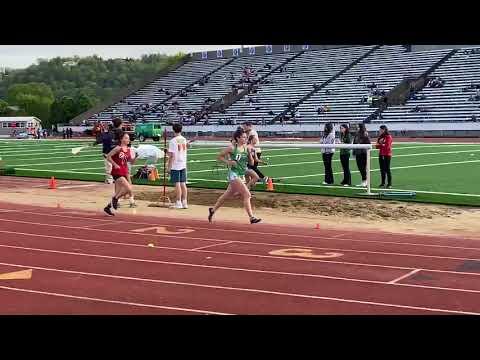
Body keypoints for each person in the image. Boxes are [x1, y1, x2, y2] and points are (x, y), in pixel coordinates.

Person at [208, 128, 261, 224]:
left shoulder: (246, 148)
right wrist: (228, 162)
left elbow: (252, 163)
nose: (245, 139)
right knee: (247, 194)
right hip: (233, 174)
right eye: (243, 137)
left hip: (241, 174)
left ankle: (213, 210)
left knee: (226, 195)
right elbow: (219, 156)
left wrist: (250, 155)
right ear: (237, 138)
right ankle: (251, 217)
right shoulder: (232, 148)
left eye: (246, 137)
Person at [104, 132, 134, 216]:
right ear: (121, 139)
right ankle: (115, 199)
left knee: (117, 192)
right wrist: (115, 164)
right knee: (129, 189)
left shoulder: (128, 150)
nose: (128, 140)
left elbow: (129, 162)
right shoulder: (118, 148)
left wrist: (136, 157)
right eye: (126, 138)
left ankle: (108, 207)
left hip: (124, 172)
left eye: (128, 138)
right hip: (117, 172)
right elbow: (108, 156)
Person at [167, 123, 188, 209]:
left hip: (176, 164)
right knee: (183, 184)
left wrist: (168, 166)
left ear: (173, 130)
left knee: (177, 184)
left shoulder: (172, 141)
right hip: (183, 163)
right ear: (181, 130)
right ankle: (184, 202)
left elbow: (171, 155)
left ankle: (178, 202)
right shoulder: (184, 139)